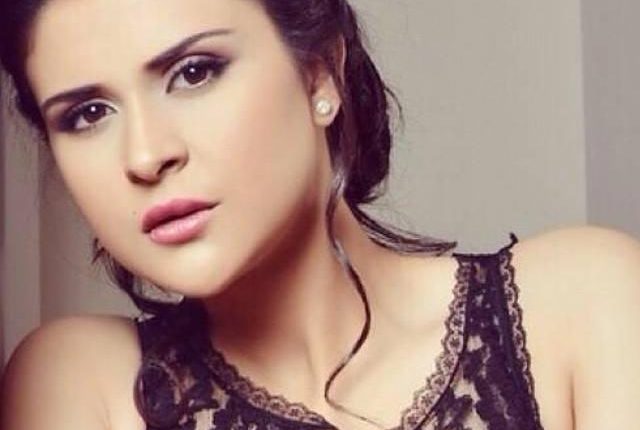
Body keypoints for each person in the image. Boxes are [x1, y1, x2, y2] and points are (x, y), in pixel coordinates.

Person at [0, 0, 638, 429]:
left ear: (319, 76)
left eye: (194, 73)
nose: (145, 155)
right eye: (87, 114)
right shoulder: (84, 382)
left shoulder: (579, 304)